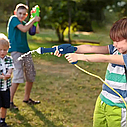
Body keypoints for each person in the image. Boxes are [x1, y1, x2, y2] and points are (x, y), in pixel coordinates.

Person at [54, 18, 127, 127]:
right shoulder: (114, 49)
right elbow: (92, 48)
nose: (114, 44)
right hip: (102, 102)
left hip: (119, 108)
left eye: (118, 41)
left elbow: (104, 58)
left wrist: (80, 57)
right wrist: (72, 48)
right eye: (113, 41)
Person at [7, 3, 41, 110]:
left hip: (26, 51)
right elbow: (24, 29)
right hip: (16, 51)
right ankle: (9, 101)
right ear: (15, 13)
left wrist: (35, 19)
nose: (21, 16)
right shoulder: (13, 19)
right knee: (18, 75)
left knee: (30, 74)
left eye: (24, 14)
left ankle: (26, 98)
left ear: (26, 15)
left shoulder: (25, 22)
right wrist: (33, 20)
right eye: (19, 13)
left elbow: (36, 31)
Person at [0, 33, 14, 127]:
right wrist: (1, 77)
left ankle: (2, 121)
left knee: (5, 105)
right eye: (0, 50)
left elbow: (10, 68)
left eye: (5, 50)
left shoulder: (9, 59)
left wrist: (9, 74)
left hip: (6, 88)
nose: (2, 52)